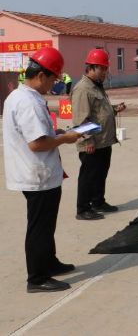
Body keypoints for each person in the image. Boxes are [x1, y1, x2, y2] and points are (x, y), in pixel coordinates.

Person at [3, 47, 82, 293]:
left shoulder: (23, 96)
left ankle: (49, 262)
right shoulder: (27, 102)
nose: (54, 85)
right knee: (39, 227)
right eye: (53, 80)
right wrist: (64, 139)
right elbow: (36, 144)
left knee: (46, 225)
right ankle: (37, 278)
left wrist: (54, 133)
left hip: (39, 172)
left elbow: (37, 134)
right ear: (41, 75)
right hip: (36, 174)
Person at [71, 49, 126, 221]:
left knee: (100, 173)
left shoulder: (96, 86)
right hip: (92, 142)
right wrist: (88, 140)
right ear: (91, 68)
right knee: (89, 175)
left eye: (105, 69)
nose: (104, 72)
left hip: (103, 140)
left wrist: (114, 110)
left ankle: (98, 202)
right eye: (101, 69)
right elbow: (81, 118)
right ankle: (83, 208)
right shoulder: (83, 89)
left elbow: (99, 113)